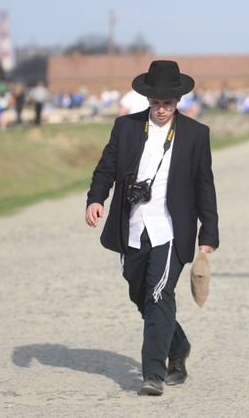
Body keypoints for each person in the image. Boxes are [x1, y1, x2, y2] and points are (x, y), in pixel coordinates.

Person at [85, 60, 219, 396]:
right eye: (157, 103)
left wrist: (209, 233)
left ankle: (154, 373)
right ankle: (179, 344)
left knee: (159, 293)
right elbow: (105, 169)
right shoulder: (125, 128)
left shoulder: (196, 134)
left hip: (171, 228)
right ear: (148, 101)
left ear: (178, 102)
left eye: (168, 104)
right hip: (132, 226)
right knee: (140, 293)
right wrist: (96, 198)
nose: (162, 110)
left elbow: (205, 185)